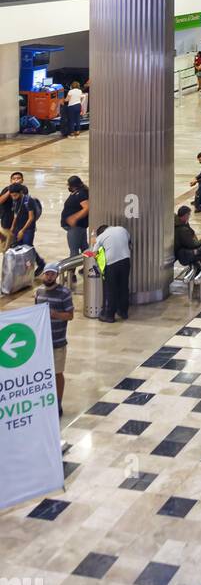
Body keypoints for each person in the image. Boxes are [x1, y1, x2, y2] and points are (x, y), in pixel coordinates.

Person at [35, 263, 73, 417]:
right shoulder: (38, 292)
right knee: (44, 374)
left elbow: (70, 315)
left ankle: (58, 403)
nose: (49, 277)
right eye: (47, 274)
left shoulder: (64, 293)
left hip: (58, 342)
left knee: (57, 373)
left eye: (52, 274)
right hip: (43, 343)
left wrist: (55, 314)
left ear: (56, 276)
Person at [91, 222, 131, 323]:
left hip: (111, 264)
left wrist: (94, 243)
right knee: (123, 287)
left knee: (111, 289)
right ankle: (123, 312)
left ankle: (109, 315)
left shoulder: (101, 237)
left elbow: (94, 254)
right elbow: (128, 241)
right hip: (126, 261)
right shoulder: (122, 229)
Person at [6, 182, 45, 276]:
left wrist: (22, 231)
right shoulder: (15, 200)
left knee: (28, 247)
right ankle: (22, 267)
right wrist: (12, 227)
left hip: (28, 229)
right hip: (18, 228)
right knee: (18, 247)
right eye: (11, 194)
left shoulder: (28, 200)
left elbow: (31, 217)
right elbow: (16, 214)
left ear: (20, 192)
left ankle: (40, 264)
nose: (13, 196)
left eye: (15, 194)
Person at [173, 205, 201, 280]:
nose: (189, 217)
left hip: (181, 250)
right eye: (188, 215)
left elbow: (191, 232)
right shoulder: (182, 229)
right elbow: (192, 245)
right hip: (181, 254)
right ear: (185, 215)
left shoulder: (182, 224)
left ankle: (200, 267)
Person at [60, 175, 90, 267]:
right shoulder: (77, 192)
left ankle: (71, 274)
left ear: (72, 185)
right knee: (85, 249)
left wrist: (75, 217)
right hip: (77, 227)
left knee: (74, 251)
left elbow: (87, 208)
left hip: (76, 227)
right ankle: (89, 267)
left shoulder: (81, 194)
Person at [0, 171, 24, 250]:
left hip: (19, 224)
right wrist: (10, 190)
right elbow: (1, 201)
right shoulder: (6, 190)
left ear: (22, 180)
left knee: (17, 246)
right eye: (14, 179)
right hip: (6, 223)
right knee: (5, 247)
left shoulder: (23, 190)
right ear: (11, 181)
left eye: (18, 178)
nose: (16, 180)